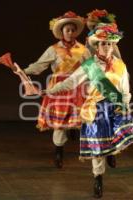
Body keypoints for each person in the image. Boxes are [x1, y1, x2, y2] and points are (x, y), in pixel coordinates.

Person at [45, 23, 133, 198]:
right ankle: (98, 178)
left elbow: (125, 90)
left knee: (112, 142)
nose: (107, 47)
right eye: (103, 43)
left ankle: (111, 154)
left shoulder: (120, 65)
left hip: (114, 108)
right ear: (96, 45)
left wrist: (124, 106)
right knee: (97, 147)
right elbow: (70, 82)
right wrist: (51, 90)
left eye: (110, 43)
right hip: (96, 109)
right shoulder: (89, 65)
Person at [23, 11, 90, 168]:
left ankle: (88, 147)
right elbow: (40, 65)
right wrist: (23, 71)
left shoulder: (83, 50)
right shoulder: (53, 49)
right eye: (68, 30)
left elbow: (92, 68)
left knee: (82, 119)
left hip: (77, 86)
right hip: (58, 88)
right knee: (59, 123)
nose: (71, 33)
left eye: (73, 30)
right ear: (62, 32)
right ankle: (59, 151)